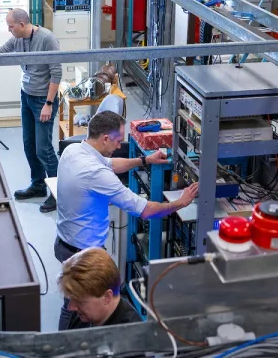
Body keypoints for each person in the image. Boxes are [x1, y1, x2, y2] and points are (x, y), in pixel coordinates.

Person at [53, 110, 199, 328]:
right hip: (81, 252)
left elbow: (111, 164)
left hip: (65, 242)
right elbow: (146, 210)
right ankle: (69, 345)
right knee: (78, 308)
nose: (119, 144)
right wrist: (180, 202)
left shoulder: (74, 150)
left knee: (75, 304)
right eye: (118, 140)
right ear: (105, 139)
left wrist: (144, 160)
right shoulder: (95, 173)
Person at [0, 8, 63, 212]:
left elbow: (56, 73)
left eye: (10, 27)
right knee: (29, 145)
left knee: (43, 149)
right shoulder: (17, 39)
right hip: (27, 96)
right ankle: (38, 185)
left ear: (21, 24)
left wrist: (48, 103)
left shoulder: (47, 39)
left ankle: (58, 193)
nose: (9, 30)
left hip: (43, 101)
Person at [57, 248, 140, 330]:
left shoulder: (131, 336)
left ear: (107, 297)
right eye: (71, 299)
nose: (71, 307)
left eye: (80, 302)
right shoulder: (83, 313)